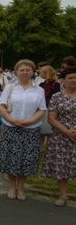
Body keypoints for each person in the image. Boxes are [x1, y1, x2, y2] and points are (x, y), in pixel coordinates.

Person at [0, 60, 46, 201]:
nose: (25, 72)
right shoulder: (10, 88)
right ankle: (12, 187)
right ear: (16, 71)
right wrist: (11, 120)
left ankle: (21, 188)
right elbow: (1, 106)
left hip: (30, 128)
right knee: (11, 157)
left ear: (32, 72)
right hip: (11, 127)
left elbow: (41, 109)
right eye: (22, 70)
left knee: (26, 158)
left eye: (28, 70)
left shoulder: (39, 90)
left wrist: (30, 121)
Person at [42, 66, 76, 206]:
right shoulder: (57, 97)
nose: (74, 80)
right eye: (70, 78)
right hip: (61, 137)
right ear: (63, 80)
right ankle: (63, 196)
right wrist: (67, 132)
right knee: (62, 167)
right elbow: (51, 119)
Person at [38, 65, 61, 149]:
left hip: (51, 110)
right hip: (41, 110)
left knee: (49, 133)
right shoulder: (41, 84)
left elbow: (56, 99)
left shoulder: (56, 85)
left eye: (42, 72)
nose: (40, 73)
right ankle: (40, 153)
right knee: (41, 133)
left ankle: (46, 152)